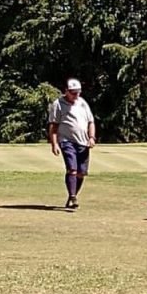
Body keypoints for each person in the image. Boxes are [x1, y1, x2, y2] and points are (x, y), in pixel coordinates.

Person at [48, 78, 96, 209]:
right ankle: (73, 196)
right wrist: (54, 144)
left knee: (81, 173)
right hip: (67, 141)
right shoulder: (58, 104)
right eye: (73, 92)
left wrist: (92, 137)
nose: (76, 95)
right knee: (72, 169)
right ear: (66, 91)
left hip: (83, 142)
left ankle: (72, 197)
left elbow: (91, 122)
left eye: (78, 92)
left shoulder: (82, 103)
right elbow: (53, 125)